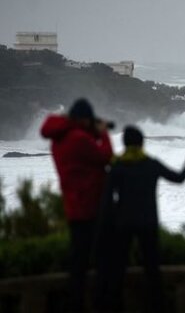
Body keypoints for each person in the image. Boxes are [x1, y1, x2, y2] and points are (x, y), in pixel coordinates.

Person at [98, 125, 185, 311]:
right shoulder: (151, 164)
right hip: (148, 223)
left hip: (123, 224)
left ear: (124, 143)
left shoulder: (117, 167)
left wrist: (105, 225)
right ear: (142, 143)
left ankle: (114, 307)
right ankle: (157, 306)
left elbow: (106, 200)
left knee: (118, 269)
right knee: (152, 270)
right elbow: (179, 178)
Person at [40, 98, 114, 312]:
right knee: (99, 261)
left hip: (74, 204)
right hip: (89, 206)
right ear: (83, 119)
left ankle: (76, 303)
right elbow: (106, 156)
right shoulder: (78, 139)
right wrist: (104, 133)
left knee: (79, 260)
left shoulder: (60, 138)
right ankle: (93, 305)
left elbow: (84, 158)